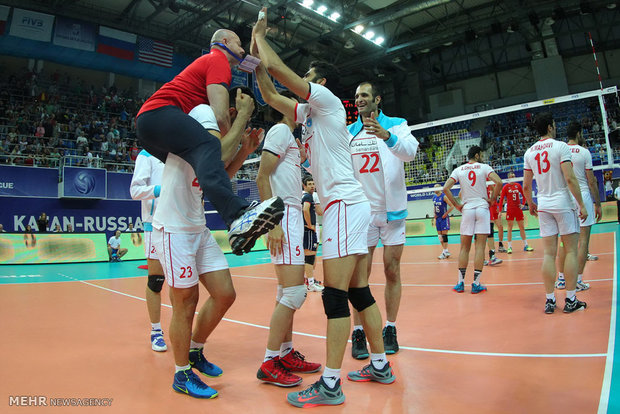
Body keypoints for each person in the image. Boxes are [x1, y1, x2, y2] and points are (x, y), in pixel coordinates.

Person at [253, 9, 394, 408]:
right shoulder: (307, 117)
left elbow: (281, 72)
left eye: (309, 76)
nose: (306, 81)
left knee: (334, 295)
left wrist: (261, 37)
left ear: (321, 82)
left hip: (344, 206)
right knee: (358, 291)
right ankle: (380, 365)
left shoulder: (328, 102)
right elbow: (270, 93)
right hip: (344, 208)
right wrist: (254, 60)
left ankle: (331, 385)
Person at [152, 89, 264, 399]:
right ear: (227, 109)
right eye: (236, 111)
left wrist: (246, 149)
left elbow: (217, 174)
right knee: (186, 302)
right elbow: (215, 152)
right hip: (174, 229)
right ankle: (181, 374)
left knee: (225, 293)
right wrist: (242, 118)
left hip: (196, 228)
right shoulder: (201, 114)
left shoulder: (219, 137)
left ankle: (194, 351)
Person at [135, 28, 283, 256]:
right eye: (238, 43)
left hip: (152, 127)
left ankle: (236, 218)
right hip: (158, 114)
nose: (243, 49)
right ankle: (236, 215)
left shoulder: (197, 109)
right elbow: (222, 117)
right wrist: (241, 118)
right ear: (224, 42)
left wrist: (243, 149)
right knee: (210, 148)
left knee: (206, 163)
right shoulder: (218, 60)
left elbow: (218, 168)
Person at [347, 80, 419, 359]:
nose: (359, 99)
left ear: (377, 99)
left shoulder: (398, 124)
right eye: (356, 96)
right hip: (362, 214)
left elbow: (410, 154)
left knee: (392, 270)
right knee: (359, 277)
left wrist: (386, 135)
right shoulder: (349, 133)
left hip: (392, 213)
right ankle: (358, 332)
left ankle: (390, 327)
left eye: (364, 95)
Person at [255, 87, 321, 387]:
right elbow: (262, 176)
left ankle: (284, 352)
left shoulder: (288, 136)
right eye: (296, 101)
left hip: (290, 213)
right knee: (295, 293)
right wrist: (272, 223)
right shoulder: (280, 131)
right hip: (284, 215)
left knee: (287, 292)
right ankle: (269, 362)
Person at [522, 112, 588, 314]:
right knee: (570, 251)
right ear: (550, 127)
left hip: (544, 205)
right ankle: (570, 299)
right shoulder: (561, 147)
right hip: (562, 203)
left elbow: (526, 186)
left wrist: (531, 203)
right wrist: (581, 205)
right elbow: (570, 179)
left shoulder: (529, 152)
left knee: (549, 254)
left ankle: (550, 301)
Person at [443, 146, 502, 294]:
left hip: (467, 209)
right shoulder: (484, 167)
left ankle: (460, 283)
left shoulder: (459, 170)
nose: (482, 156)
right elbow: (499, 182)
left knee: (464, 248)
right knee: (480, 247)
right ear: (476, 155)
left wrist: (456, 205)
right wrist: (493, 199)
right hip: (482, 208)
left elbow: (445, 188)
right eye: (481, 154)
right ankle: (476, 284)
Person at [555, 121, 602, 292]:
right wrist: (598, 204)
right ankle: (578, 280)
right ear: (579, 133)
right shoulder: (584, 152)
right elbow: (591, 181)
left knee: (563, 242)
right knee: (583, 241)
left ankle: (561, 280)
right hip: (582, 195)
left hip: (567, 197)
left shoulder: (560, 150)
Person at [130, 149, 167, 352]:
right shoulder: (147, 155)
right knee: (156, 281)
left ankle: (183, 331)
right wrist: (163, 190)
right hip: (154, 225)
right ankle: (156, 331)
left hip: (179, 223)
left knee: (184, 285)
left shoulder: (181, 151)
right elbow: (135, 191)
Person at [499, 171, 533, 253]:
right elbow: (501, 199)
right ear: (508, 178)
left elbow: (524, 194)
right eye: (511, 176)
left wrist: (523, 204)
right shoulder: (505, 187)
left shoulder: (518, 186)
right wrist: (500, 211)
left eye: (514, 176)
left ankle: (526, 245)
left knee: (522, 227)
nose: (513, 178)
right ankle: (509, 247)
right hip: (510, 209)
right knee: (509, 228)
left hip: (518, 209)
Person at [302, 176, 324, 292]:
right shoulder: (310, 196)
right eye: (309, 184)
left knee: (307, 257)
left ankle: (307, 280)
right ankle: (310, 282)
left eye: (313, 184)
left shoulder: (301, 195)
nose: (312, 186)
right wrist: (310, 225)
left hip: (303, 230)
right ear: (304, 185)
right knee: (310, 257)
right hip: (310, 230)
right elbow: (308, 210)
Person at [484, 183, 504, 266]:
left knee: (490, 231)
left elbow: (498, 190)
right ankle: (482, 258)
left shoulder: (489, 182)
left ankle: (492, 256)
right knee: (480, 235)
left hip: (489, 208)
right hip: (480, 208)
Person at [432, 183, 454, 259]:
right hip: (438, 218)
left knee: (444, 236)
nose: (434, 189)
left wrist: (446, 213)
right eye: (434, 188)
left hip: (444, 218)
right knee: (440, 236)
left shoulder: (444, 197)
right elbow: (434, 206)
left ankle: (444, 252)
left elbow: (452, 206)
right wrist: (434, 214)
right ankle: (446, 251)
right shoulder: (434, 197)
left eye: (436, 188)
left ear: (439, 189)